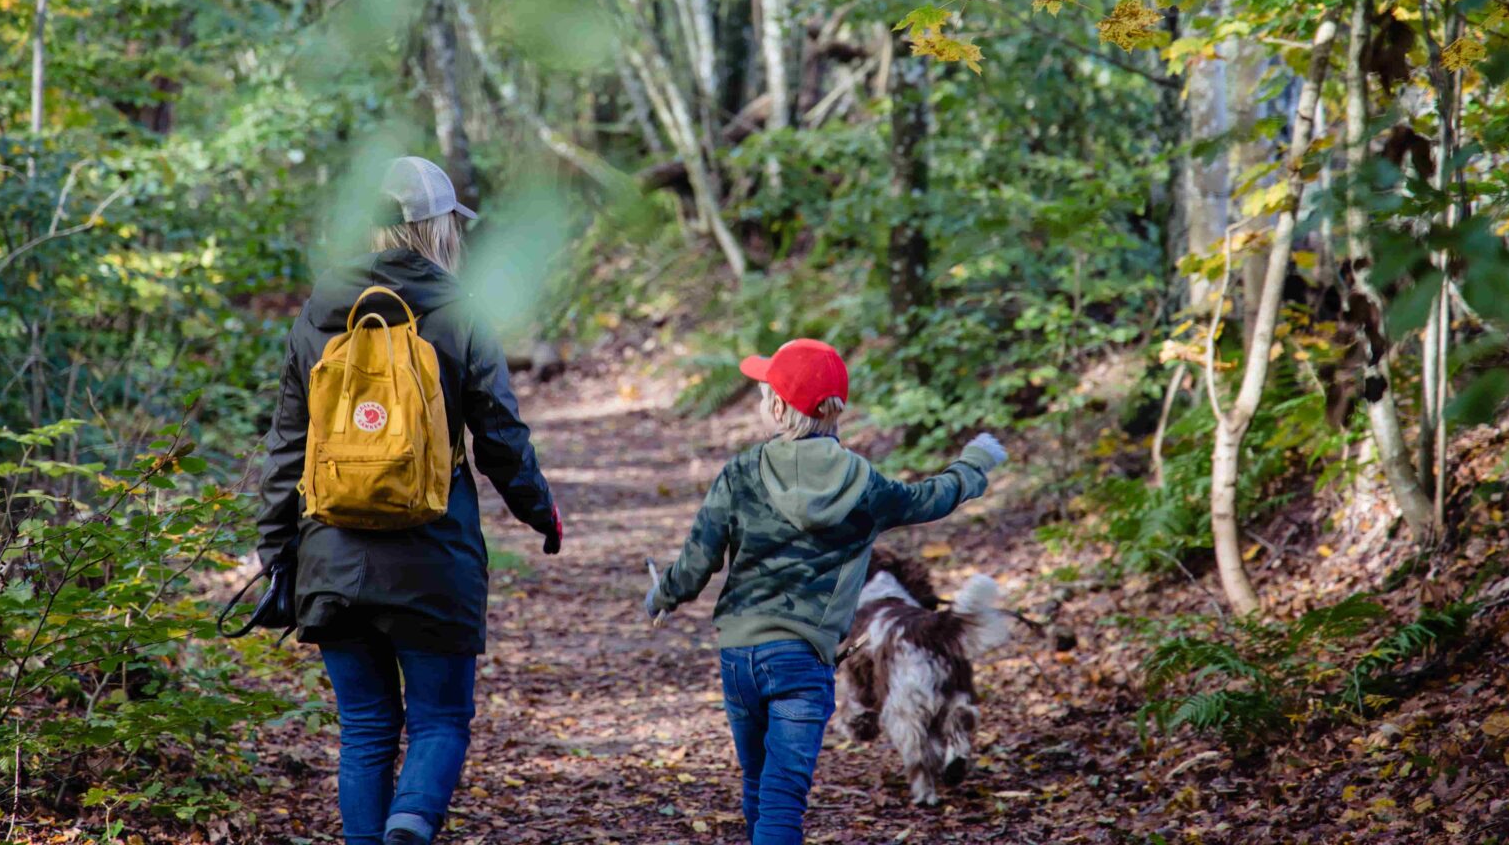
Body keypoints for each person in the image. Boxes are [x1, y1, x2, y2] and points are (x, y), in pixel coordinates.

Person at [258, 156, 563, 845]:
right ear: (439, 231)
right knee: (440, 721)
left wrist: (277, 553)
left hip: (331, 555)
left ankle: (385, 831)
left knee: (365, 730)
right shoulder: (460, 314)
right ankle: (411, 819)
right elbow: (502, 438)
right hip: (434, 552)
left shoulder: (316, 317)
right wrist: (540, 512)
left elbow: (286, 447)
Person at [644, 339, 1007, 845]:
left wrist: (664, 594)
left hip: (740, 654)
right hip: (803, 658)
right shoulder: (863, 484)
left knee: (758, 781)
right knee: (783, 797)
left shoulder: (741, 473)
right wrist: (974, 463)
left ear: (777, 406)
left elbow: (700, 557)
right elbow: (932, 497)